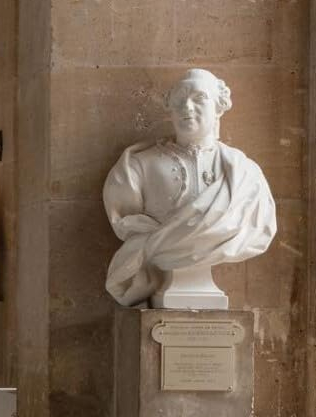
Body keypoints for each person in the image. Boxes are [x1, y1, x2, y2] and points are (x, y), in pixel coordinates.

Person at [103, 68, 276, 308]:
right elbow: (126, 221)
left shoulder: (246, 174)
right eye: (179, 100)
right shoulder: (137, 167)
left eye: (199, 98)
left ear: (219, 106)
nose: (187, 106)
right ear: (170, 108)